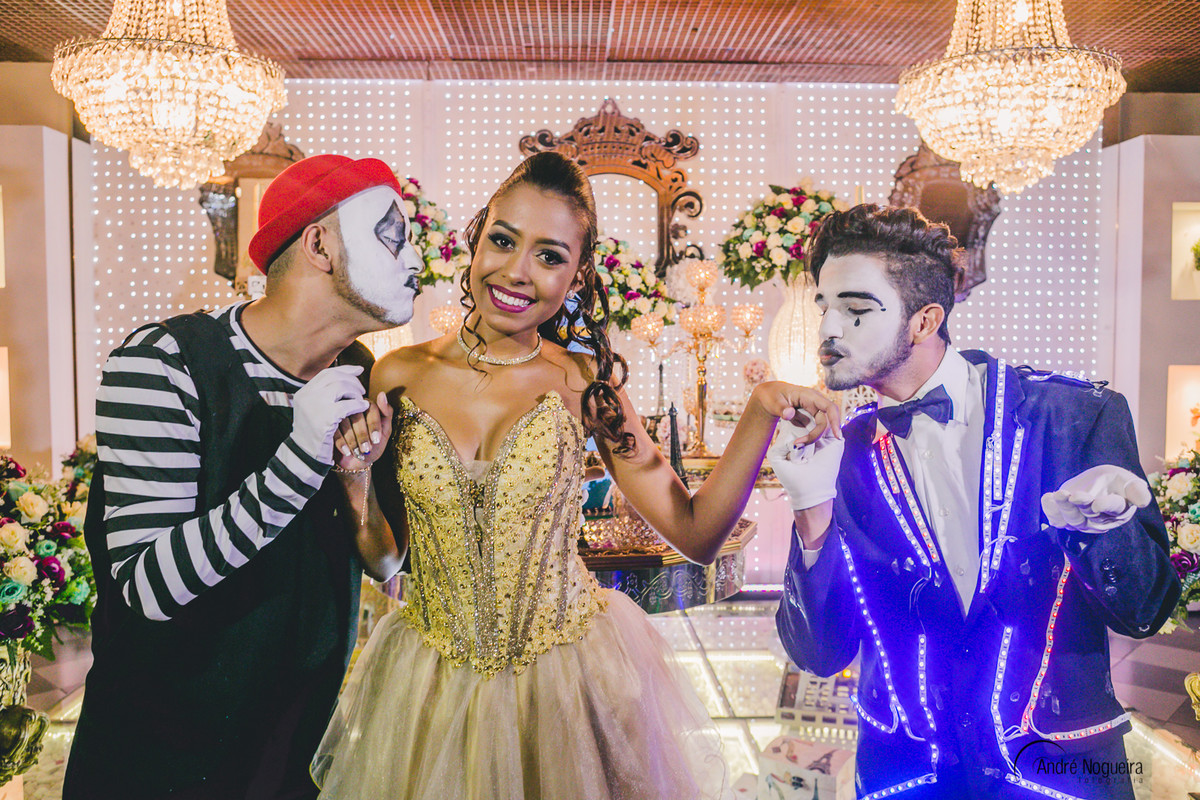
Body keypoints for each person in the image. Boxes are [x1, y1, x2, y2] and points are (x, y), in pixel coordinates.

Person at [310, 151, 839, 800]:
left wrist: (759, 410)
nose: (516, 271)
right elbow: (385, 561)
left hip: (566, 683)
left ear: (577, 275)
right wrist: (355, 480)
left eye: (549, 256)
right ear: (476, 239)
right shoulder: (397, 375)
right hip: (429, 684)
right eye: (503, 240)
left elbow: (697, 534)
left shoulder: (585, 385)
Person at [770, 204, 1181, 799]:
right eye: (824, 307)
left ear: (924, 320)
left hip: (1064, 773)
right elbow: (820, 654)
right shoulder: (843, 453)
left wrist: (1104, 534)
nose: (829, 328)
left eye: (855, 310)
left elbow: (1145, 612)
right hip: (906, 776)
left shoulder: (1073, 417)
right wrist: (810, 507)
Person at [64, 154, 423, 800]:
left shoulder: (363, 373)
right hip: (159, 764)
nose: (416, 258)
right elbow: (149, 586)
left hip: (295, 753)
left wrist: (354, 480)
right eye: (394, 236)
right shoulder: (162, 363)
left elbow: (384, 563)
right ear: (319, 245)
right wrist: (299, 456)